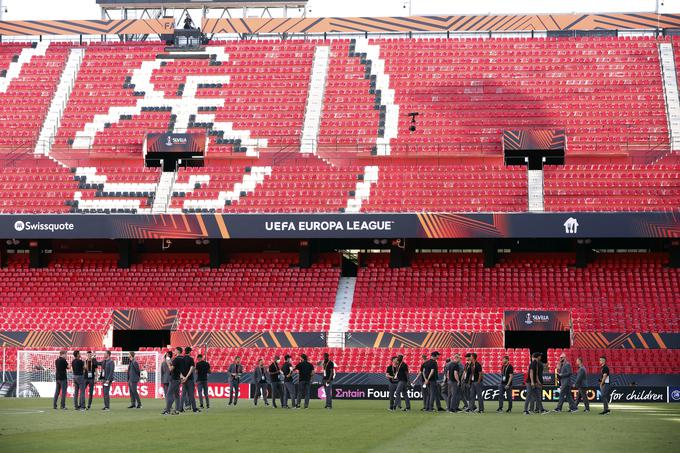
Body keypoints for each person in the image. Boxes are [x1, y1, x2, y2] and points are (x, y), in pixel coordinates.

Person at [163, 349, 183, 415]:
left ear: (178, 351)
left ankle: (167, 410)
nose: (174, 351)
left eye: (175, 350)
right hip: (178, 379)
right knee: (177, 395)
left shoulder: (176, 359)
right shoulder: (182, 359)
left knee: (169, 395)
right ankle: (177, 410)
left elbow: (171, 369)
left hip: (174, 379)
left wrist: (168, 363)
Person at [181, 347, 199, 413]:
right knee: (191, 394)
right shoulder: (191, 359)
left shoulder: (182, 359)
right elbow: (192, 369)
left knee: (183, 394)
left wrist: (183, 377)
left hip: (183, 379)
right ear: (190, 352)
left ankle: (180, 408)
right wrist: (187, 377)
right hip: (190, 379)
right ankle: (194, 408)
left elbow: (179, 370)